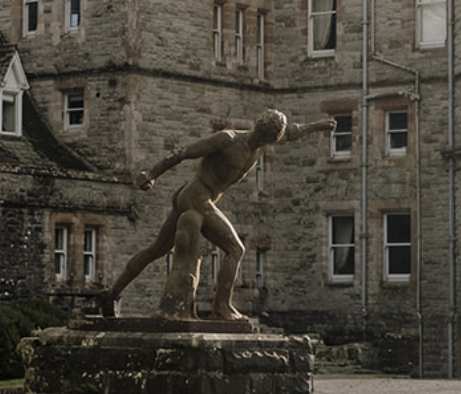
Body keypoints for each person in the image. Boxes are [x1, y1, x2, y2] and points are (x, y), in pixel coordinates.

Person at [104, 109, 336, 324]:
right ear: (261, 130)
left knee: (157, 249)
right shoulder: (228, 140)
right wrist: (152, 173)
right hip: (196, 196)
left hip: (198, 198)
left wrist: (319, 126)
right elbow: (184, 152)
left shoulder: (263, 145)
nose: (273, 141)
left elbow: (293, 132)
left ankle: (110, 295)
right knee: (236, 249)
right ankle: (221, 308)